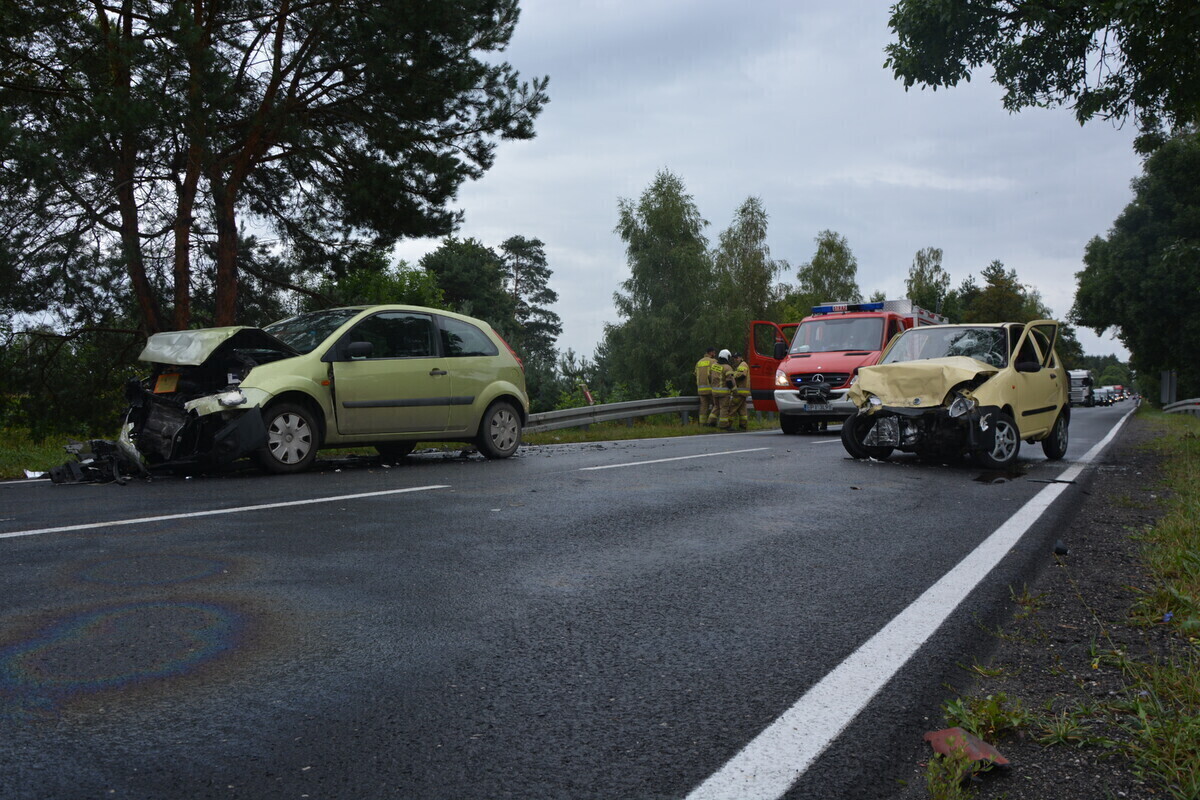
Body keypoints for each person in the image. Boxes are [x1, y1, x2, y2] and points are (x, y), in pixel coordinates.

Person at [707, 349, 735, 429]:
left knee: (716, 407)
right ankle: (723, 425)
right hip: (723, 393)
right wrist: (733, 390)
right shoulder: (727, 368)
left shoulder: (714, 365)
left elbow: (709, 377)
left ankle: (711, 422)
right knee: (724, 408)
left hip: (714, 392)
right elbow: (729, 382)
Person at [694, 346, 716, 424]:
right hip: (711, 389)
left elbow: (695, 374)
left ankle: (702, 424)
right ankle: (712, 422)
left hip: (701, 389)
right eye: (714, 352)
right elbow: (716, 374)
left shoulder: (699, 362)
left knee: (703, 407)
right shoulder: (713, 361)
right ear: (710, 353)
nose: (714, 354)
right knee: (716, 405)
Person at [729, 352, 751, 430]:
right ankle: (743, 425)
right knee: (742, 410)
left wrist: (733, 375)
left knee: (732, 407)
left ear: (740, 358)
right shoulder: (742, 365)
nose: (735, 359)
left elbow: (742, 375)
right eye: (734, 358)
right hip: (743, 392)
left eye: (736, 358)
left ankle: (728, 425)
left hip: (740, 392)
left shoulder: (742, 365)